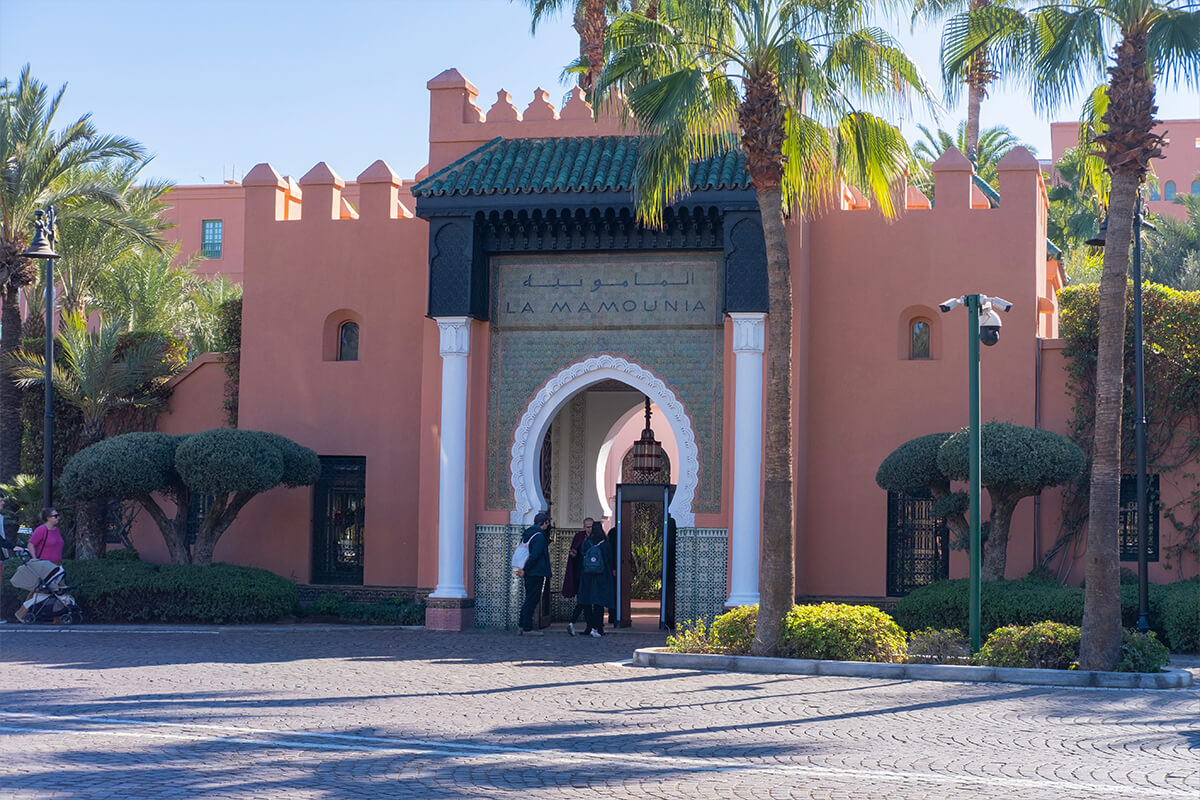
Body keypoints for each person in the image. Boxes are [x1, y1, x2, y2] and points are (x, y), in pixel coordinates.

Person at [515, 511, 551, 635]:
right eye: (547, 523)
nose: (548, 525)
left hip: (529, 572)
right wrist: (526, 569)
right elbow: (535, 556)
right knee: (532, 599)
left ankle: (522, 625)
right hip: (536, 572)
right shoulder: (539, 536)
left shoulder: (528, 533)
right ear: (544, 523)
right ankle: (527, 628)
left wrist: (524, 569)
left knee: (529, 598)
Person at [577, 521, 615, 637]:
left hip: (588, 577)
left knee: (588, 602)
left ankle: (589, 627)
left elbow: (582, 557)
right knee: (599, 604)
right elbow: (609, 559)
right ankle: (599, 628)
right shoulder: (606, 544)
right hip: (602, 576)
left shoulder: (586, 543)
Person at [560, 517, 593, 636]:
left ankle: (585, 626)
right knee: (585, 601)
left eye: (591, 526)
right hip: (581, 574)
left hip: (591, 575)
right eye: (588, 527)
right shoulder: (579, 537)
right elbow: (573, 553)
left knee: (585, 601)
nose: (590, 529)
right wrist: (573, 555)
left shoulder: (596, 537)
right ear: (584, 527)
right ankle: (584, 626)